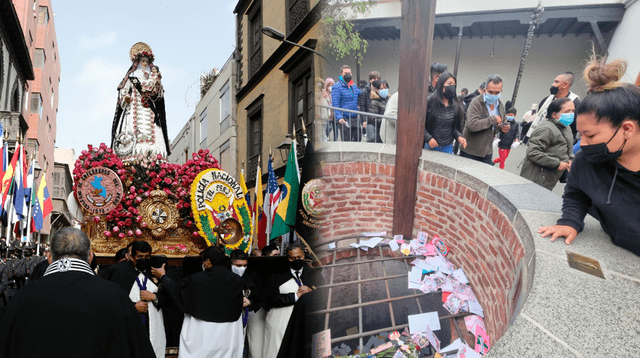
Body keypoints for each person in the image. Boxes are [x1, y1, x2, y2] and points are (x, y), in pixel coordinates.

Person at [538, 57, 640, 255]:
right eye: (581, 134)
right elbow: (576, 195)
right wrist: (570, 221)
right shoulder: (587, 161)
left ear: (627, 129)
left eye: (590, 135)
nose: (582, 144)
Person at [0, 228, 155, 358]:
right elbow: (139, 350)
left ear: (49, 257)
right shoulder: (115, 295)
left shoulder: (23, 296)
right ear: (90, 257)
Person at [152, 246, 247, 358]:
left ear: (207, 262)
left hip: (201, 331)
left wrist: (163, 277)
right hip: (228, 334)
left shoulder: (196, 279)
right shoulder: (237, 280)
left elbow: (176, 291)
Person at [103, 240, 168, 358]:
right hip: (128, 325)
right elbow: (109, 301)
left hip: (152, 325)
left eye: (147, 256)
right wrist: (133, 307)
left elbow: (169, 297)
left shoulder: (156, 271)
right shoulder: (118, 272)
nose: (144, 259)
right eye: (140, 257)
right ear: (132, 257)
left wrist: (155, 297)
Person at [262, 244, 323, 358]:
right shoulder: (277, 274)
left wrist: (310, 291)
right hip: (281, 321)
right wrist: (295, 296)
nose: (296, 260)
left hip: (304, 321)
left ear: (303, 255)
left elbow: (324, 294)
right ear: (287, 258)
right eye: (292, 258)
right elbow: (269, 298)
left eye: (299, 257)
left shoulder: (313, 273)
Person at [112, 42, 170, 160]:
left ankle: (153, 157)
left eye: (146, 61)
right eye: (142, 61)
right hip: (134, 108)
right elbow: (123, 91)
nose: (144, 64)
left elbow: (160, 95)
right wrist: (126, 98)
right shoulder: (132, 76)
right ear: (137, 62)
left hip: (150, 111)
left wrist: (157, 82)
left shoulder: (154, 77)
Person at [520, 98, 574, 190]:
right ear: (554, 114)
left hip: (549, 176)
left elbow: (567, 147)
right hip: (537, 177)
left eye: (573, 111)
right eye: (567, 111)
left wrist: (569, 159)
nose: (571, 114)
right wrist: (557, 163)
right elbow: (533, 152)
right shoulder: (546, 129)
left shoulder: (565, 127)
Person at [460, 75, 506, 164]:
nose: (493, 95)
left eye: (497, 93)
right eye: (490, 92)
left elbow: (500, 123)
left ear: (501, 91)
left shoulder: (501, 106)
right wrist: (492, 119)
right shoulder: (476, 102)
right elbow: (472, 125)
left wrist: (503, 129)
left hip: (487, 152)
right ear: (484, 90)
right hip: (470, 151)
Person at [525, 72, 581, 142]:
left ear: (565, 85)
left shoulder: (575, 103)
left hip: (560, 143)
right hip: (540, 139)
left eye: (556, 82)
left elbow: (575, 127)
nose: (553, 84)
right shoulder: (546, 100)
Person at [424, 72, 467, 154]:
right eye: (449, 83)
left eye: (454, 84)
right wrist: (428, 138)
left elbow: (454, 128)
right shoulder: (430, 101)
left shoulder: (456, 105)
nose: (452, 87)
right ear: (441, 84)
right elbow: (421, 124)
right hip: (431, 146)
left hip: (447, 147)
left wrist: (459, 137)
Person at [332, 65, 362, 142]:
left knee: (358, 140)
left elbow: (361, 94)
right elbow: (335, 104)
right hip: (344, 118)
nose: (348, 75)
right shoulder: (337, 87)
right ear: (341, 74)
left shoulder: (353, 86)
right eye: (346, 73)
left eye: (349, 73)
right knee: (347, 142)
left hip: (355, 117)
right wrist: (339, 117)